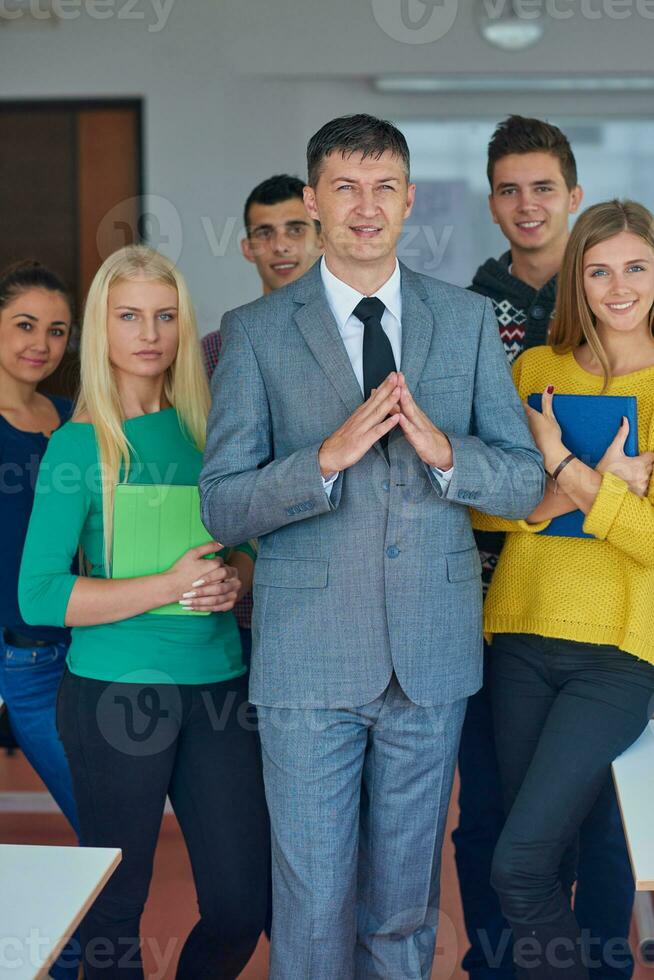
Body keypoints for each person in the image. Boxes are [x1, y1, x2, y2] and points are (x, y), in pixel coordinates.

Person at [200, 113, 544, 980]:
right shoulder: (255, 332)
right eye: (345, 188)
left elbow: (522, 483)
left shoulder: (464, 321)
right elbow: (222, 506)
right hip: (308, 663)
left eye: (384, 186)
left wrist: (444, 453)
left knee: (402, 911)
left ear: (409, 198)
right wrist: (322, 458)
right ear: (313, 200)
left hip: (430, 659)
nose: (366, 207)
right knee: (311, 907)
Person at [19, 245, 269, 979]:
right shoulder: (76, 448)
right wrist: (167, 584)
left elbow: (248, 544)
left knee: (239, 906)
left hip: (220, 687)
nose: (149, 332)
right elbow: (39, 596)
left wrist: (235, 580)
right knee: (116, 906)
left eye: (165, 316)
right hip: (111, 694)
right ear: (103, 328)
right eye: (129, 316)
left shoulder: (213, 435)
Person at [455, 115, 637, 980]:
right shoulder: (497, 339)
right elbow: (490, 497)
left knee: (586, 827)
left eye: (633, 268)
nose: (616, 285)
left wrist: (565, 471)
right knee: (508, 831)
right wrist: (572, 486)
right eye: (509, 188)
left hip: (615, 637)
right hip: (508, 617)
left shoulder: (628, 346)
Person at [202, 173, 322, 666]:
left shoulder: (361, 340)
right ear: (248, 247)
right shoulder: (213, 350)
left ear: (321, 234)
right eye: (265, 233)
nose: (281, 246)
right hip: (241, 602)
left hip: (331, 589)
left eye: (295, 229)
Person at [0, 260, 81, 980]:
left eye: (56, 331)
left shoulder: (70, 417)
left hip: (88, 648)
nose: (42, 343)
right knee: (109, 825)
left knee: (116, 830)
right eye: (25, 325)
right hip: (19, 662)